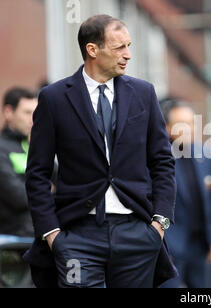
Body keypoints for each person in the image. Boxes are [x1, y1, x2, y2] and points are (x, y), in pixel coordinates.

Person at [24, 15, 176, 288]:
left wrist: (160, 224)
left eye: (129, 46)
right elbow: (37, 173)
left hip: (137, 234)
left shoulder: (144, 93)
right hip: (76, 237)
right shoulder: (54, 98)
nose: (128, 55)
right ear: (93, 50)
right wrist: (52, 234)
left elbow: (163, 162)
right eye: (119, 48)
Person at [159, 98, 211, 288]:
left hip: (201, 246)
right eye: (183, 124)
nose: (190, 129)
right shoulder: (156, 157)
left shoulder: (203, 154)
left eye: (192, 123)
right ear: (167, 126)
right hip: (169, 248)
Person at [0, 87, 37, 237]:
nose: (33, 119)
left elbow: (62, 183)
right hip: (16, 233)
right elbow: (20, 198)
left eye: (35, 113)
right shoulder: (2, 148)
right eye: (27, 112)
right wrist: (46, 188)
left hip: (43, 228)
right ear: (8, 112)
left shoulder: (34, 146)